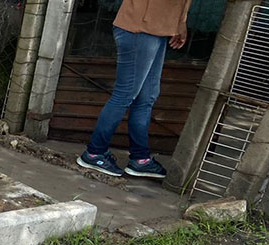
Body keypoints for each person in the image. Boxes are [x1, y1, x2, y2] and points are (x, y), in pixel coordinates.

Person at [77, 0, 194, 178]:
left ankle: (140, 159)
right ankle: (94, 153)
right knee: (125, 94)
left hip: (158, 30)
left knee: (146, 97)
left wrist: (180, 23)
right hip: (139, 30)